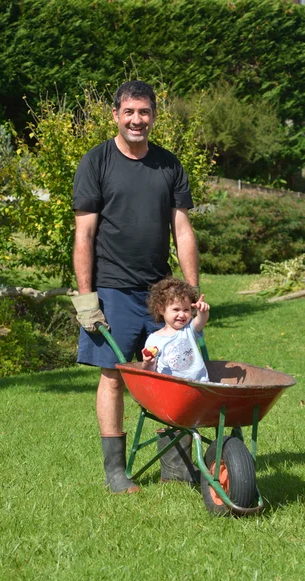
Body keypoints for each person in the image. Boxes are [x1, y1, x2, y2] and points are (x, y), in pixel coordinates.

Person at [71, 80, 200, 494]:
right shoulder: (97, 162)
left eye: (144, 112)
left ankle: (177, 465)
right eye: (129, 112)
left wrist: (191, 293)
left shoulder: (168, 164)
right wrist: (87, 298)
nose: (137, 120)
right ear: (116, 115)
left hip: (161, 292)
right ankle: (115, 472)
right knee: (113, 375)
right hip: (113, 289)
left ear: (154, 117)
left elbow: (182, 230)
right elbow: (84, 236)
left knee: (177, 372)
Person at [142, 277, 210, 382]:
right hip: (170, 387)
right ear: (161, 309)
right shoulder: (154, 339)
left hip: (199, 384)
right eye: (176, 309)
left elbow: (201, 320)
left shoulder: (189, 330)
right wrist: (148, 363)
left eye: (186, 309)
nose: (182, 314)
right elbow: (149, 372)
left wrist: (202, 310)